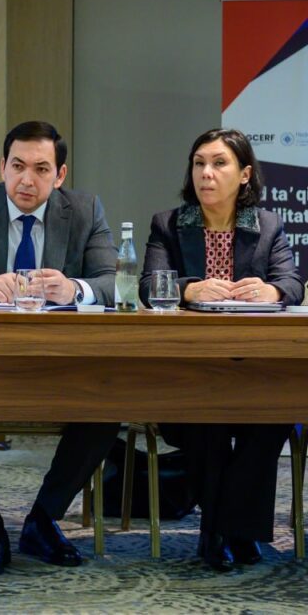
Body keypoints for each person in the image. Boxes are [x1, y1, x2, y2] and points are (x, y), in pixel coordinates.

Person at [0, 120, 120, 577]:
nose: (27, 180)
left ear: (60, 175)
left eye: (41, 169)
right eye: (17, 166)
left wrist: (74, 288)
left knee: (111, 391)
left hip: (60, 354)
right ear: (2, 167)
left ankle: (44, 518)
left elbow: (115, 282)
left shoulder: (86, 211)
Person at [139, 127, 303, 571]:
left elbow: (291, 283)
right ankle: (223, 532)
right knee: (205, 415)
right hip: (187, 371)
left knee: (272, 416)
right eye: (199, 164)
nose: (206, 173)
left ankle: (232, 530)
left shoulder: (267, 226)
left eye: (218, 163)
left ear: (244, 174)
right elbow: (148, 285)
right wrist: (189, 289)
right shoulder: (169, 224)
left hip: (250, 369)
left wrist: (271, 292)